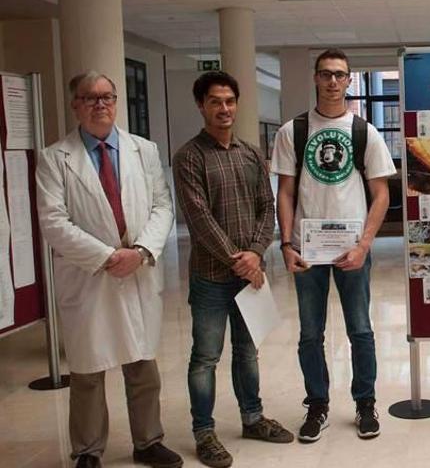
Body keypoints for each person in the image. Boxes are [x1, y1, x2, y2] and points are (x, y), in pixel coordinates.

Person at [36, 71, 180, 468]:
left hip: (138, 269)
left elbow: (162, 205)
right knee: (87, 370)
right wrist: (106, 257)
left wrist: (141, 251)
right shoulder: (54, 158)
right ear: (75, 105)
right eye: (90, 98)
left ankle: (148, 441)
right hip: (89, 276)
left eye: (107, 97)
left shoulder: (143, 150)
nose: (100, 104)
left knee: (142, 364)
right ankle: (87, 450)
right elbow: (53, 221)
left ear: (116, 102)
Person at [272, 48, 396, 442]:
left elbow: (381, 195)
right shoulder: (293, 132)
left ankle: (365, 403)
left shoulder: (364, 132)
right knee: (311, 333)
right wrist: (287, 243)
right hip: (308, 250)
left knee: (360, 330)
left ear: (348, 81)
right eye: (325, 74)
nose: (332, 82)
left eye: (339, 75)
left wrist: (364, 245)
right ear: (315, 78)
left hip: (352, 250)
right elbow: (285, 192)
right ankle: (318, 404)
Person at [173, 71, 293, 468]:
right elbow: (199, 217)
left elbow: (267, 208)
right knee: (205, 357)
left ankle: (253, 418)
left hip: (250, 276)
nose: (223, 108)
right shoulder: (189, 157)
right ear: (201, 106)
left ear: (236, 104)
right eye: (214, 102)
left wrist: (256, 253)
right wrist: (238, 259)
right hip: (211, 276)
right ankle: (204, 433)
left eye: (229, 101)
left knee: (248, 352)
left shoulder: (251, 154)